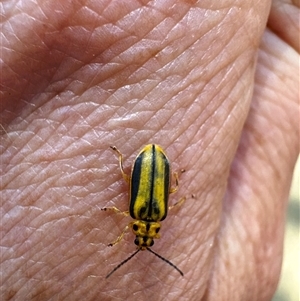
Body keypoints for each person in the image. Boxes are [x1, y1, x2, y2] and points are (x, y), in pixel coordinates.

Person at [1, 1, 298, 300]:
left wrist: (173, 178)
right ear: (145, 233)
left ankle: (134, 161)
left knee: (130, 178)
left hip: (153, 161)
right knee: (128, 179)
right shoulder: (137, 212)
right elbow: (139, 198)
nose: (136, 238)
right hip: (152, 161)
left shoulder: (158, 212)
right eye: (141, 238)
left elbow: (169, 196)